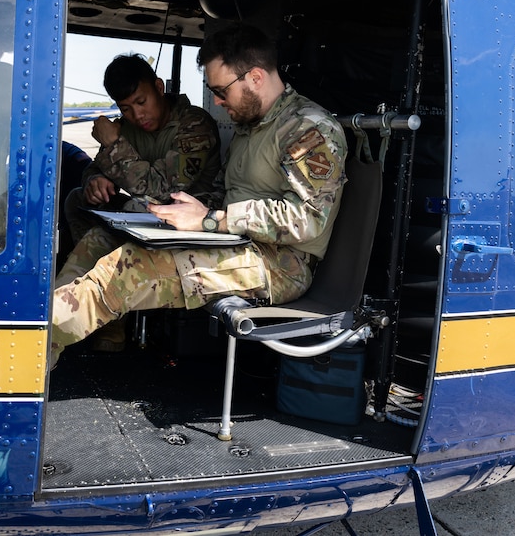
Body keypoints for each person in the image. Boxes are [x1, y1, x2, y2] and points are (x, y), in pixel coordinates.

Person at [49, 24, 348, 364]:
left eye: (221, 91)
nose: (217, 102)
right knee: (99, 243)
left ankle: (25, 346)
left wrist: (210, 220)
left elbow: (306, 220)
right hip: (235, 242)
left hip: (280, 264)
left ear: (255, 78)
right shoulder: (250, 130)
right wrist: (183, 216)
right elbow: (222, 195)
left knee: (131, 267)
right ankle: (40, 331)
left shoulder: (308, 129)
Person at [65, 54, 222, 242]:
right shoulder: (126, 129)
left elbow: (162, 192)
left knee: (134, 207)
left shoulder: (195, 124)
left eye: (141, 102)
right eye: (126, 109)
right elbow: (95, 167)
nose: (137, 115)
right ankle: (90, 261)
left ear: (159, 87)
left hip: (193, 217)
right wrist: (96, 180)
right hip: (148, 212)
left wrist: (114, 145)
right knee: (77, 199)